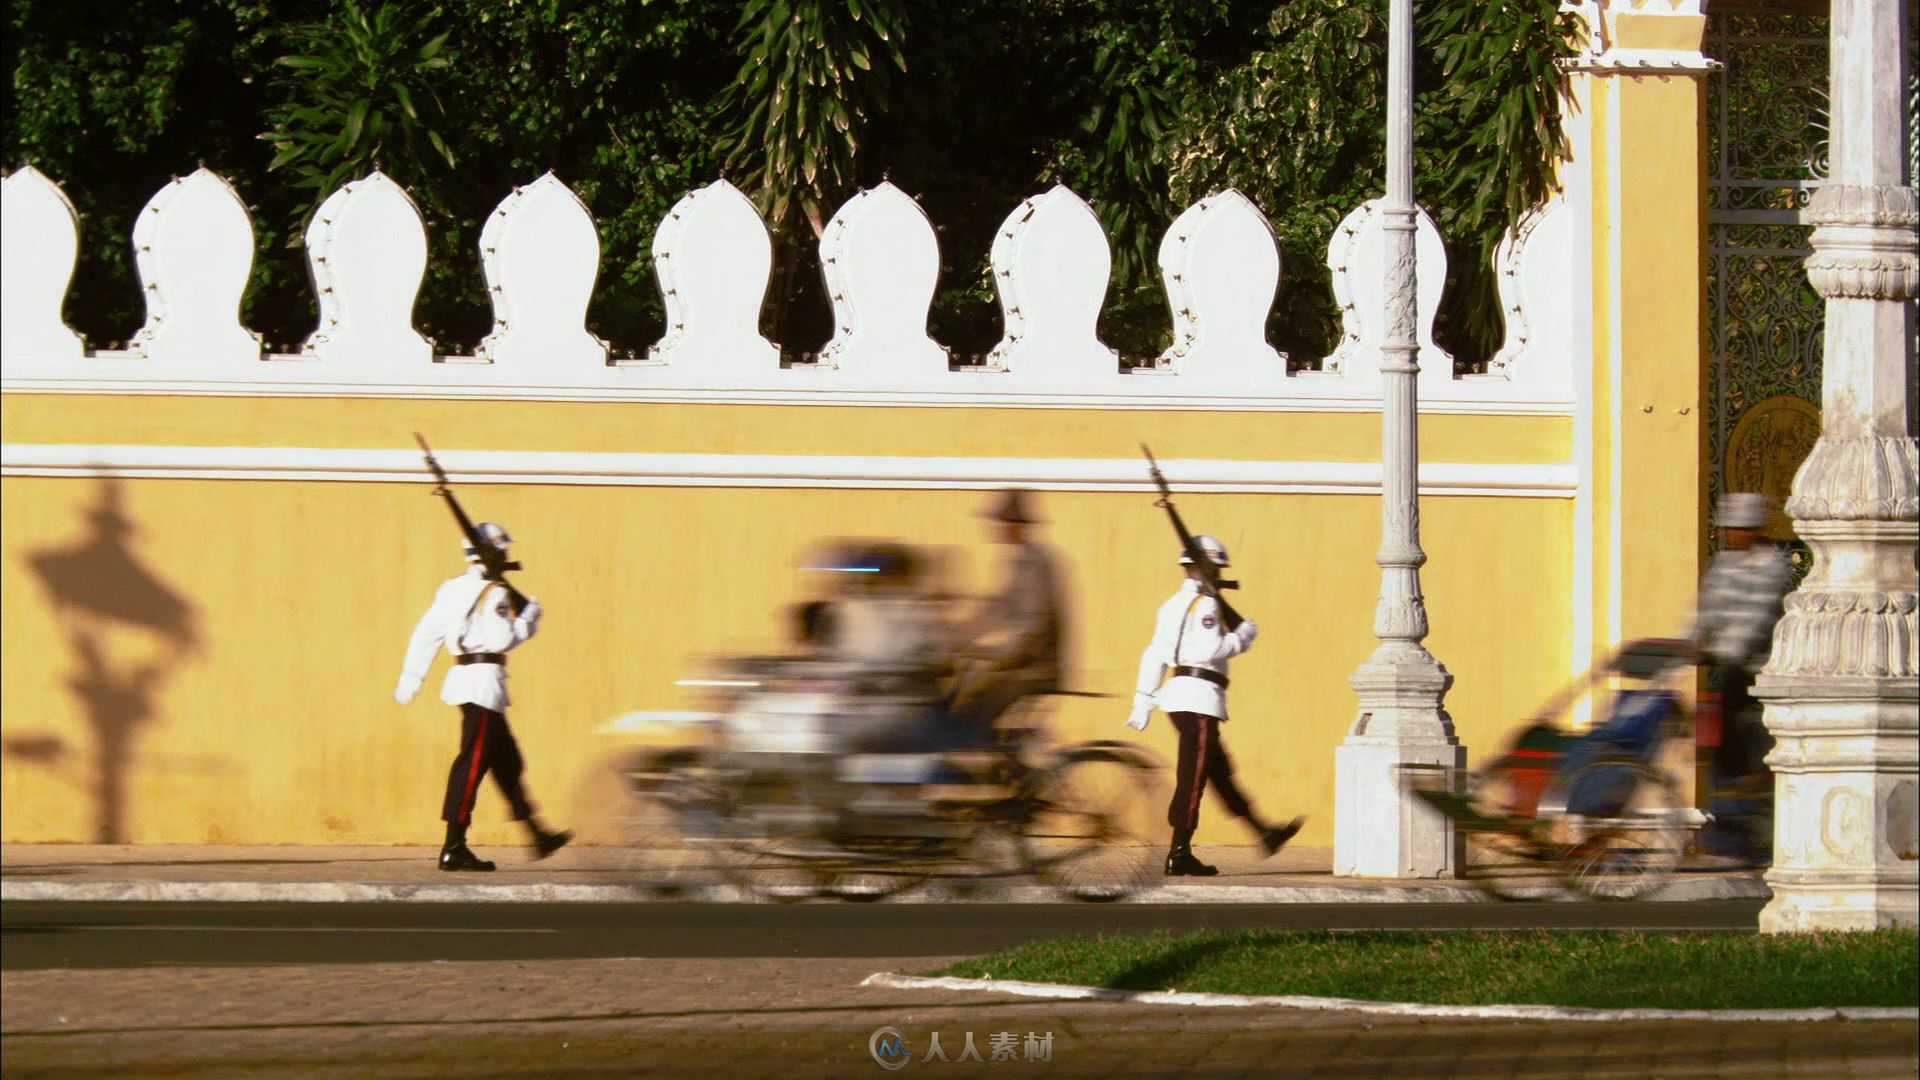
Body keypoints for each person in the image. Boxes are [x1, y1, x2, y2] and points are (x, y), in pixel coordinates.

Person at [394, 522, 572, 872]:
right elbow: (503, 640)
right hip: (484, 686)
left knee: (507, 763)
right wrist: (530, 619)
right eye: (502, 550)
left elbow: (426, 634)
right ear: (491, 553)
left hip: (466, 683)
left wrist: (411, 678)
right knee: (471, 766)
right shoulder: (495, 593)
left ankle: (537, 833)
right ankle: (453, 847)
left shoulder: (451, 589)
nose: (506, 556)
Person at [1129, 535, 1302, 876]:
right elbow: (1212, 650)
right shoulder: (1206, 606)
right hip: (1200, 699)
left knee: (1220, 772)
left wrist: (1144, 699)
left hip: (1181, 697)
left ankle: (1263, 832)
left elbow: (1155, 654)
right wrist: (1243, 636)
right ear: (1202, 568)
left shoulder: (1171, 606)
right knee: (1193, 778)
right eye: (1215, 567)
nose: (1219, 573)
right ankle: (1179, 852)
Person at [1689, 492, 1792, 857]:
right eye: (1730, 529)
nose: (1734, 535)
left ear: (1755, 531)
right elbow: (1707, 607)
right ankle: (1731, 802)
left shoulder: (1772, 566)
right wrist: (1689, 640)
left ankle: (1749, 788)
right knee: (1712, 735)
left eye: (1740, 529)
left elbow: (1756, 618)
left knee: (1734, 724)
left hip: (1756, 666)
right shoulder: (1726, 564)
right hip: (1729, 664)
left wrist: (1719, 650)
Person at [951, 489, 1065, 741]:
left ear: (1016, 525)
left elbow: (1034, 625)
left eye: (1003, 523)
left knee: (970, 711)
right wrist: (955, 634)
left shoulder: (1034, 563)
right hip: (1021, 663)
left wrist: (998, 656)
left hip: (1034, 669)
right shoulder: (1020, 560)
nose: (998, 528)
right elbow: (996, 608)